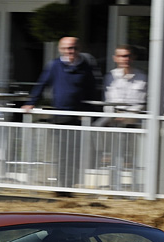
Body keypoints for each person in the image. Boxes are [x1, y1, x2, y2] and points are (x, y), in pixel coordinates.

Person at [23, 36, 98, 192]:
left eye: (73, 48)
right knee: (61, 153)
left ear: (79, 49)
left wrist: (90, 112)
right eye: (67, 48)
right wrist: (32, 101)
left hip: (77, 117)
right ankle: (62, 187)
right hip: (59, 115)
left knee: (75, 154)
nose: (70, 51)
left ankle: (69, 186)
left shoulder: (86, 67)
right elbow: (42, 84)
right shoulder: (54, 65)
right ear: (60, 49)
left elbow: (92, 91)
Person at [101, 44, 146, 125]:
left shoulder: (142, 77)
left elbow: (141, 103)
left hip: (134, 120)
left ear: (133, 57)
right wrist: (114, 115)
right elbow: (107, 101)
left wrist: (127, 116)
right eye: (122, 56)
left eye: (128, 56)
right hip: (112, 118)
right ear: (115, 58)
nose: (126, 59)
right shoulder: (110, 76)